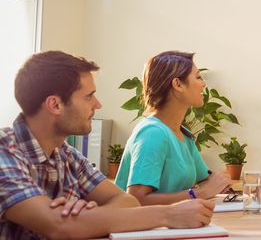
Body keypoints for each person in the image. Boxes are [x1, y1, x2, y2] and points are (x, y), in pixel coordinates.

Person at [0, 51, 214, 239]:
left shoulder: (67, 156)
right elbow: (59, 227)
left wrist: (87, 217)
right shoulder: (4, 152)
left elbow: (126, 201)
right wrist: (169, 214)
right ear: (55, 104)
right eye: (88, 96)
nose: (97, 104)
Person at [114, 51, 230, 205]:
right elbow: (137, 199)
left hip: (172, 225)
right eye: (198, 77)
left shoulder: (183, 134)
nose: (203, 84)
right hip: (144, 228)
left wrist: (219, 183)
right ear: (178, 84)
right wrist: (201, 193)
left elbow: (205, 181)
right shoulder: (152, 133)